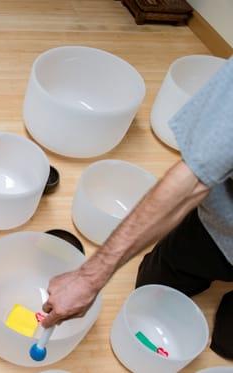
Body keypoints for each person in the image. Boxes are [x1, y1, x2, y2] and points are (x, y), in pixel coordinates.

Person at [40, 58, 233, 359]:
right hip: (222, 227)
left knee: (228, 346)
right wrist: (90, 278)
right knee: (152, 286)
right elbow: (191, 180)